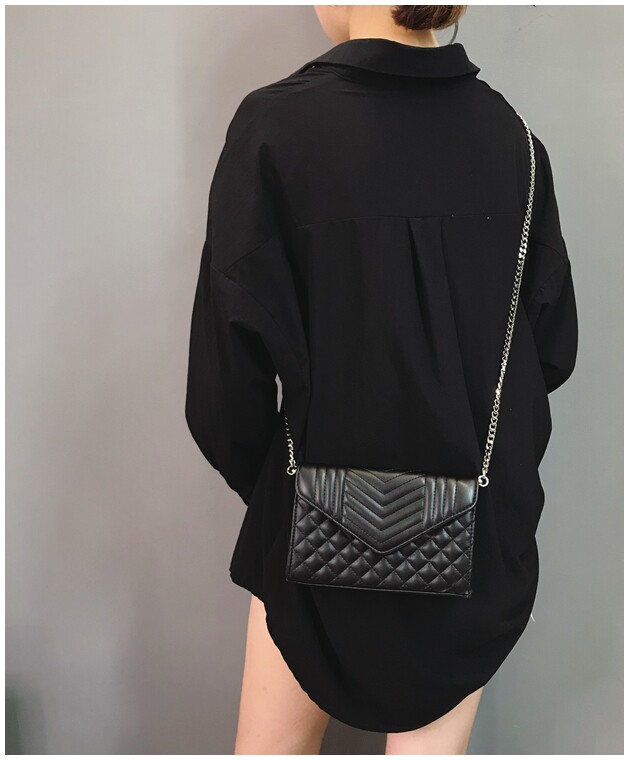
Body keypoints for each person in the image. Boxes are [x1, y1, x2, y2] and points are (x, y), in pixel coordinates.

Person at [185, 4, 578, 754]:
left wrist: (309, 499)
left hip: (308, 542)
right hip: (470, 548)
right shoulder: (516, 145)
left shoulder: (273, 130)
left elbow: (221, 394)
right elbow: (551, 354)